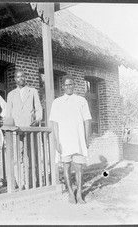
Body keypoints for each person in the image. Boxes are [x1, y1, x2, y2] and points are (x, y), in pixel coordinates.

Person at [49, 75, 91, 204]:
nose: (69, 87)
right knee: (66, 167)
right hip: (64, 140)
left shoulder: (81, 100)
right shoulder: (57, 102)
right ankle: (70, 194)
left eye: (71, 84)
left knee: (79, 167)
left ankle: (79, 194)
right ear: (63, 86)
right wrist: (56, 141)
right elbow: (54, 123)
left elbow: (87, 120)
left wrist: (86, 138)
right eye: (66, 85)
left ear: (74, 85)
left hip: (78, 140)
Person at [5, 68, 43, 189]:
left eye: (23, 76)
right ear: (15, 79)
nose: (21, 78)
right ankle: (20, 182)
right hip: (16, 130)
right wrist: (9, 127)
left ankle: (32, 181)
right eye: (18, 77)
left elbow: (39, 108)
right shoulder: (11, 95)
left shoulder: (32, 91)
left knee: (31, 155)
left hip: (29, 129)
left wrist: (37, 120)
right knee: (17, 156)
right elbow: (8, 114)